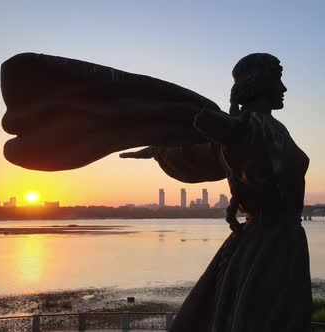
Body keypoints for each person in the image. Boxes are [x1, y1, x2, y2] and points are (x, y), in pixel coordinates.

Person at [123, 53, 312, 331]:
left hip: (265, 244)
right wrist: (164, 144)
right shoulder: (250, 129)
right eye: (278, 79)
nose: (283, 89)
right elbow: (227, 146)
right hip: (270, 247)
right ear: (259, 83)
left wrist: (160, 147)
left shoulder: (259, 128)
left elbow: (205, 150)